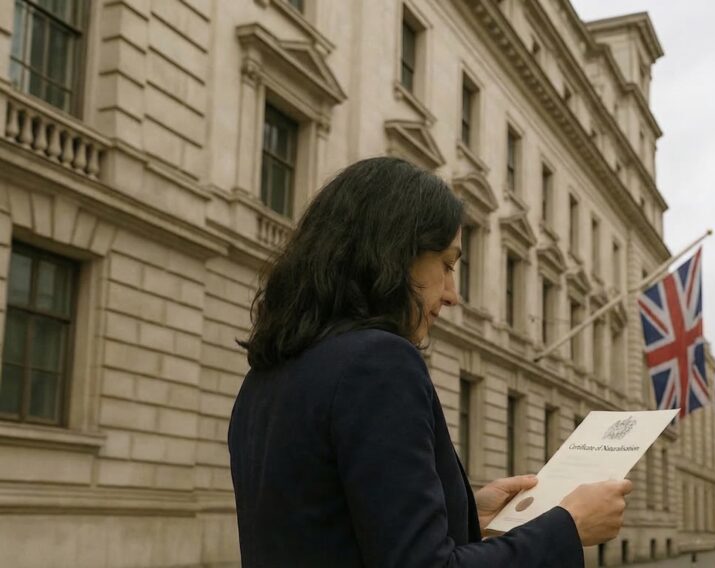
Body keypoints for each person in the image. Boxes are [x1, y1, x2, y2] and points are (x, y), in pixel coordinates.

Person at [228, 157, 634, 567]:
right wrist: (568, 525)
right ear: (393, 252)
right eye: (446, 264)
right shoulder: (378, 362)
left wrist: (465, 515)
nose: (453, 295)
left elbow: (332, 528)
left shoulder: (261, 382)